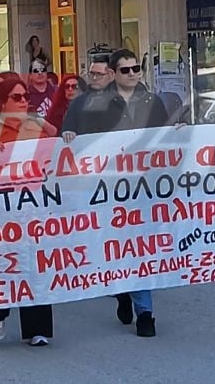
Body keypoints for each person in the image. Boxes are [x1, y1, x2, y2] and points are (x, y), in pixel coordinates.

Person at [62, 51, 168, 338]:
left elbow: (165, 136)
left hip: (144, 187)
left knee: (140, 246)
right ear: (114, 74)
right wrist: (71, 137)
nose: (133, 73)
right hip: (108, 188)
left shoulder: (152, 102)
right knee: (117, 246)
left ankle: (145, 312)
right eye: (126, 70)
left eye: (136, 68)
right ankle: (122, 290)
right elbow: (77, 138)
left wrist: (177, 133)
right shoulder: (93, 103)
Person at [0, 79, 57, 346]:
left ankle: (37, 329)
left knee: (36, 264)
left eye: (25, 97)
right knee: (5, 263)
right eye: (16, 97)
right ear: (4, 101)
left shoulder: (40, 126)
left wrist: (69, 139)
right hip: (0, 206)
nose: (23, 101)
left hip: (34, 205)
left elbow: (59, 150)